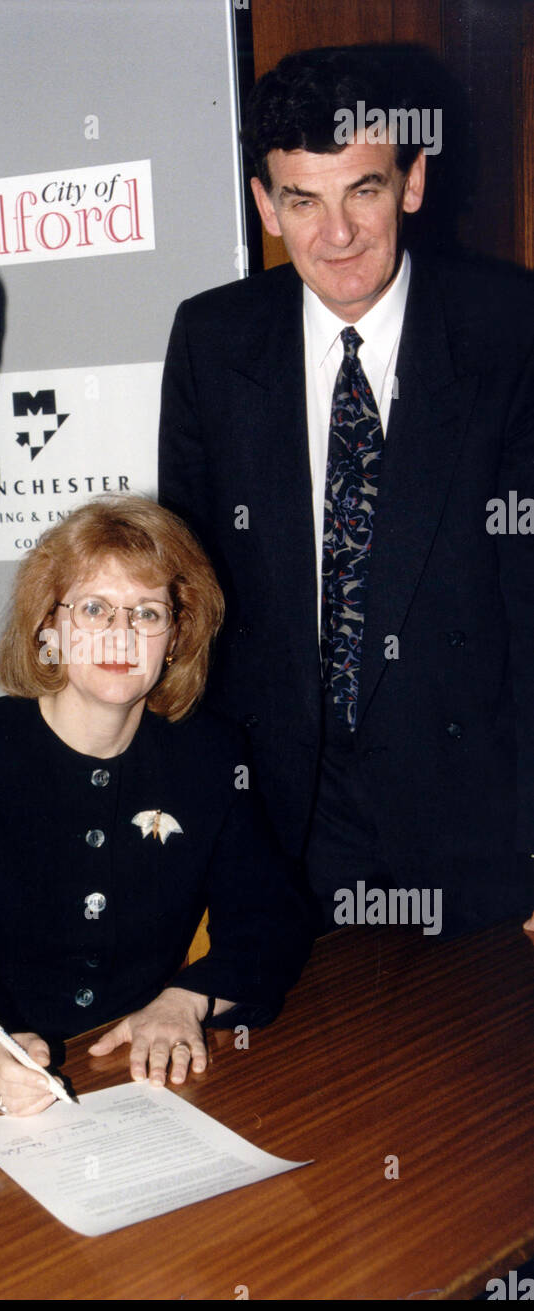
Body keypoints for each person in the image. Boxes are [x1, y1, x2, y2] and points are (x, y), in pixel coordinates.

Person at [159, 45, 534, 939]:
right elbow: (189, 592)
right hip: (284, 817)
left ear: (410, 182)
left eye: (362, 190)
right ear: (266, 206)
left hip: (477, 814)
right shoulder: (212, 340)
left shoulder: (508, 327)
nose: (336, 234)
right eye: (302, 200)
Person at [0, 496, 313, 1116]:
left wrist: (187, 999)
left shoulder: (213, 754)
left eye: (147, 613)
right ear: (48, 630)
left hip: (146, 1070)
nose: (122, 636)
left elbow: (270, 924)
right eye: (94, 609)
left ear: (174, 639)